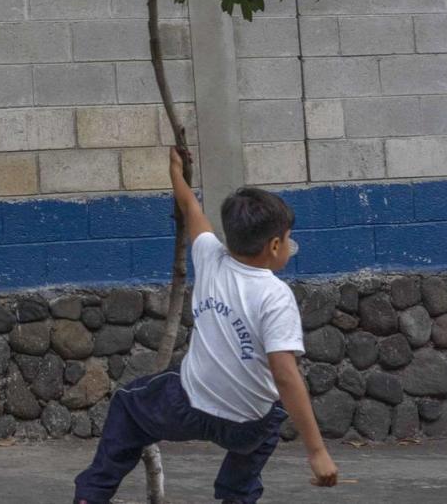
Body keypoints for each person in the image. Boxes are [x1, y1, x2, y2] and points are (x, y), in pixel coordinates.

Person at [73, 147, 338, 504]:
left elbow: (190, 207)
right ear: (275, 246)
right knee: (273, 416)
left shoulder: (210, 255)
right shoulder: (275, 296)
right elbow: (285, 375)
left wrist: (176, 173)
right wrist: (316, 451)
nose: (291, 245)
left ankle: (92, 495)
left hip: (187, 407)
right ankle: (237, 494)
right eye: (288, 239)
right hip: (247, 427)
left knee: (127, 404)